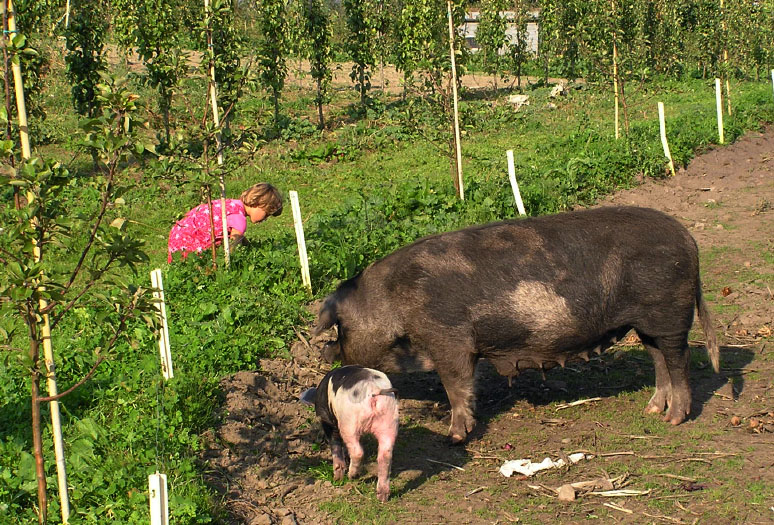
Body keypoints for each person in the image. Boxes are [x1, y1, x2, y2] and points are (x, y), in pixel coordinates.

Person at [167, 182, 283, 262]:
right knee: (199, 268)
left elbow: (239, 236)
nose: (266, 218)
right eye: (266, 213)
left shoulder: (229, 204)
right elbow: (233, 243)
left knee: (183, 265)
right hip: (192, 241)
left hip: (180, 233)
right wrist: (230, 262)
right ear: (258, 203)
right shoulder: (239, 220)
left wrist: (249, 246)